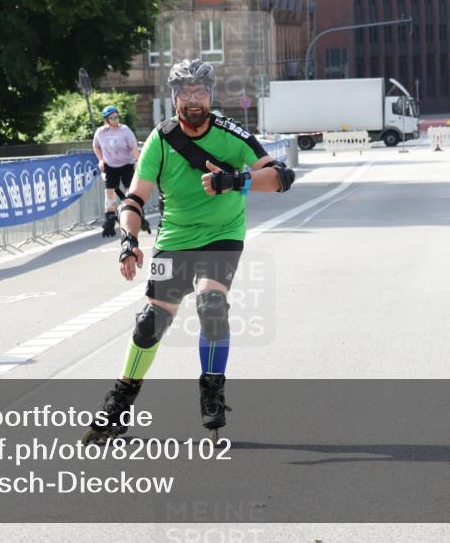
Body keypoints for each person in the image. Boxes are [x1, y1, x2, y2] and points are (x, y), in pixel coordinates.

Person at [83, 59, 296, 444]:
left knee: (212, 306)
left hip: (222, 233)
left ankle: (212, 393)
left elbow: (280, 178)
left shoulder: (232, 134)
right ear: (174, 97)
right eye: (185, 93)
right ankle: (119, 404)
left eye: (200, 92)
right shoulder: (160, 141)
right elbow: (134, 199)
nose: (193, 99)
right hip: (175, 239)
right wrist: (129, 242)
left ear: (211, 96)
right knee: (150, 323)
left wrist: (235, 180)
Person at [92, 105, 143, 237]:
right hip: (111, 166)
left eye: (117, 117)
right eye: (112, 118)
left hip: (126, 165)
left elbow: (134, 147)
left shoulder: (125, 130)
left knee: (130, 192)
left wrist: (138, 162)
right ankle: (109, 220)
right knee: (109, 193)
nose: (115, 120)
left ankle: (133, 215)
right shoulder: (101, 132)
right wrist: (101, 160)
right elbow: (96, 147)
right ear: (106, 120)